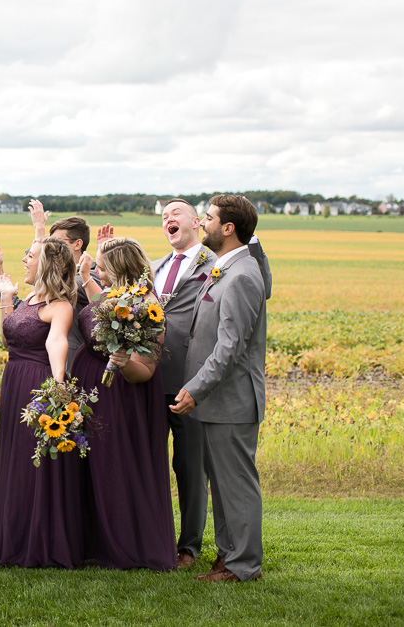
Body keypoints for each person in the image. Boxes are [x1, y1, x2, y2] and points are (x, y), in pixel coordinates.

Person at [152, 198, 272, 569]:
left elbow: (230, 345)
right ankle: (228, 556)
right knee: (222, 486)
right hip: (217, 400)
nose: (204, 224)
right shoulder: (227, 269)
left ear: (228, 228)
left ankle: (243, 564)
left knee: (235, 485)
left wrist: (195, 387)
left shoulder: (241, 275)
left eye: (209, 219)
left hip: (231, 399)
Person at [72, 237, 176, 571]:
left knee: (118, 467)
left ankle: (127, 544)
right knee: (100, 467)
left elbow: (145, 370)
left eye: (101, 266)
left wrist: (123, 360)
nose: (97, 271)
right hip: (100, 394)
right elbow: (100, 310)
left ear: (119, 268)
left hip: (124, 397)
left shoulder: (147, 306)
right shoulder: (116, 297)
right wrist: (88, 276)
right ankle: (97, 539)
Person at [0, 237, 80, 567]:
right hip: (13, 381)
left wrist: (58, 387)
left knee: (34, 463)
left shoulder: (60, 305)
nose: (25, 259)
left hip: (36, 385)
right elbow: (9, 336)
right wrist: (6, 299)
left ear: (48, 264)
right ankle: (14, 535)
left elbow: (57, 342)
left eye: (31, 255)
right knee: (14, 459)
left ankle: (40, 540)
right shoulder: (28, 299)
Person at [0, 199, 107, 364]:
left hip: (73, 364)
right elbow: (24, 311)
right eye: (48, 242)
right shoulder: (46, 287)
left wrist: (39, 230)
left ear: (78, 244)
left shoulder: (90, 276)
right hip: (40, 363)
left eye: (57, 242)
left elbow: (57, 285)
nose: (50, 247)